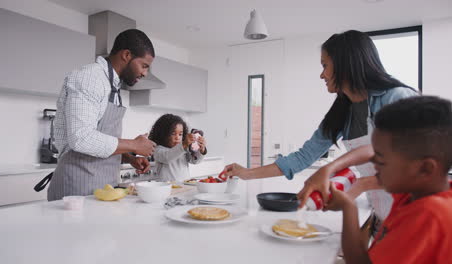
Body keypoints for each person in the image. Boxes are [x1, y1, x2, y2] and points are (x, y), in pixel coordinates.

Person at [222, 29, 417, 221]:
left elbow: (412, 168)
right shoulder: (342, 112)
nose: (322, 75)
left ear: (345, 65)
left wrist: (359, 184)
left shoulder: (397, 98)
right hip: (380, 214)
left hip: (416, 214)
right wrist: (246, 173)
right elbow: (302, 158)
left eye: (325, 65)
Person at [327, 96, 452, 264]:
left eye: (381, 159)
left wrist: (348, 207)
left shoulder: (430, 214)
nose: (373, 163)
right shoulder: (413, 195)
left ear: (426, 168)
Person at [46, 29, 156, 201]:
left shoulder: (112, 85)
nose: (145, 73)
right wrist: (133, 144)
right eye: (144, 65)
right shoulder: (90, 78)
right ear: (126, 55)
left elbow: (100, 139)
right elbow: (81, 138)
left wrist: (127, 156)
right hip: (77, 188)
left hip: (103, 187)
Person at [149, 114, 207, 182]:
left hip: (185, 186)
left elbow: (195, 160)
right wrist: (183, 145)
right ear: (163, 134)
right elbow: (167, 157)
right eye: (173, 134)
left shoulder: (183, 149)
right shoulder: (158, 150)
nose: (177, 137)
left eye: (180, 134)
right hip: (167, 188)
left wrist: (201, 150)